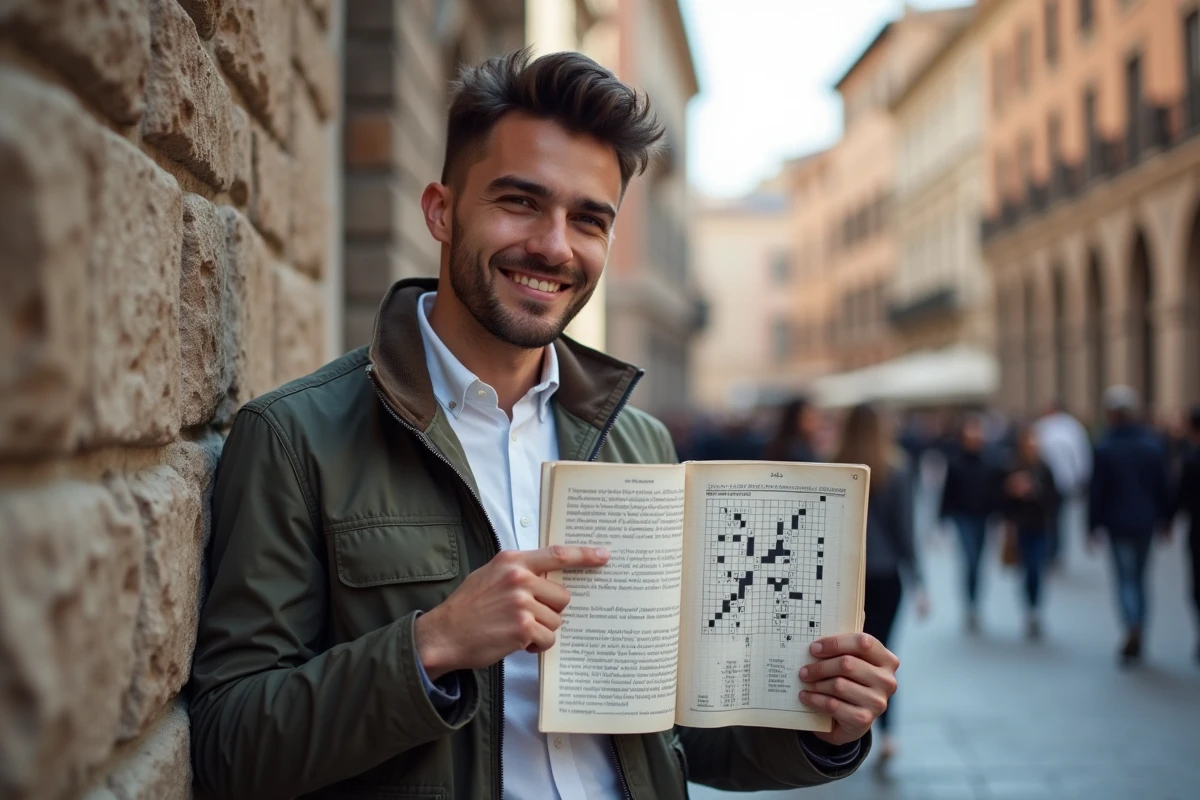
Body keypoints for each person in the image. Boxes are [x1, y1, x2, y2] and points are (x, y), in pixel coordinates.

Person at [188, 50, 898, 799]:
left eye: (588, 219)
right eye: (520, 202)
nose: (555, 246)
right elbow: (230, 745)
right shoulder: (296, 437)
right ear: (440, 210)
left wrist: (827, 726)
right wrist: (431, 645)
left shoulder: (641, 445)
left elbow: (678, 736)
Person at [834, 404, 926, 770]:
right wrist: (919, 581)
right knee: (881, 657)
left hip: (842, 575)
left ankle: (838, 725)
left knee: (843, 657)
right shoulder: (897, 469)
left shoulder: (832, 464)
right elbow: (905, 531)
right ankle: (886, 733)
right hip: (885, 574)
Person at [1088, 385, 1171, 666]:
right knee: (1140, 578)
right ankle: (1139, 629)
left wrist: (1092, 526)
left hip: (1119, 524)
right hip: (1145, 522)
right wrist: (1166, 519)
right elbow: (1164, 486)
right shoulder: (1151, 445)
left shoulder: (1106, 446)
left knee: (1126, 579)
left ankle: (1132, 625)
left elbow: (1097, 491)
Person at [939, 413, 1003, 632]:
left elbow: (997, 493)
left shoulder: (990, 462)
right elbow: (947, 494)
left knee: (979, 562)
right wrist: (942, 520)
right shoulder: (956, 463)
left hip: (983, 518)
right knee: (970, 559)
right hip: (963, 517)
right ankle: (970, 604)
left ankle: (975, 603)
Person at [1001, 427, 1060, 640]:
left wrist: (1034, 490)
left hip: (1041, 526)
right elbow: (1002, 502)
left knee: (1037, 568)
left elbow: (1054, 499)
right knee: (1026, 570)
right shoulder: (1012, 467)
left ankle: (1035, 609)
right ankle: (1029, 609)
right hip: (1021, 527)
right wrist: (1012, 491)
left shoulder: (1045, 468)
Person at [1033, 401, 1093, 569]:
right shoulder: (1070, 428)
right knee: (1054, 518)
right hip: (1052, 482)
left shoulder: (1065, 428)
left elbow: (1081, 455)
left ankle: (1054, 551)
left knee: (1056, 518)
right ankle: (1052, 550)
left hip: (1060, 482)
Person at [1170, 406, 1200, 663]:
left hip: (1198, 532)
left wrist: (1167, 521)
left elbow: (1181, 495)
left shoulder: (1191, 459)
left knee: (1198, 586)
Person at [764, 396, 822, 462]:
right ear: (796, 420)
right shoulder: (794, 451)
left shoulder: (804, 445)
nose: (816, 422)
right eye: (809, 419)